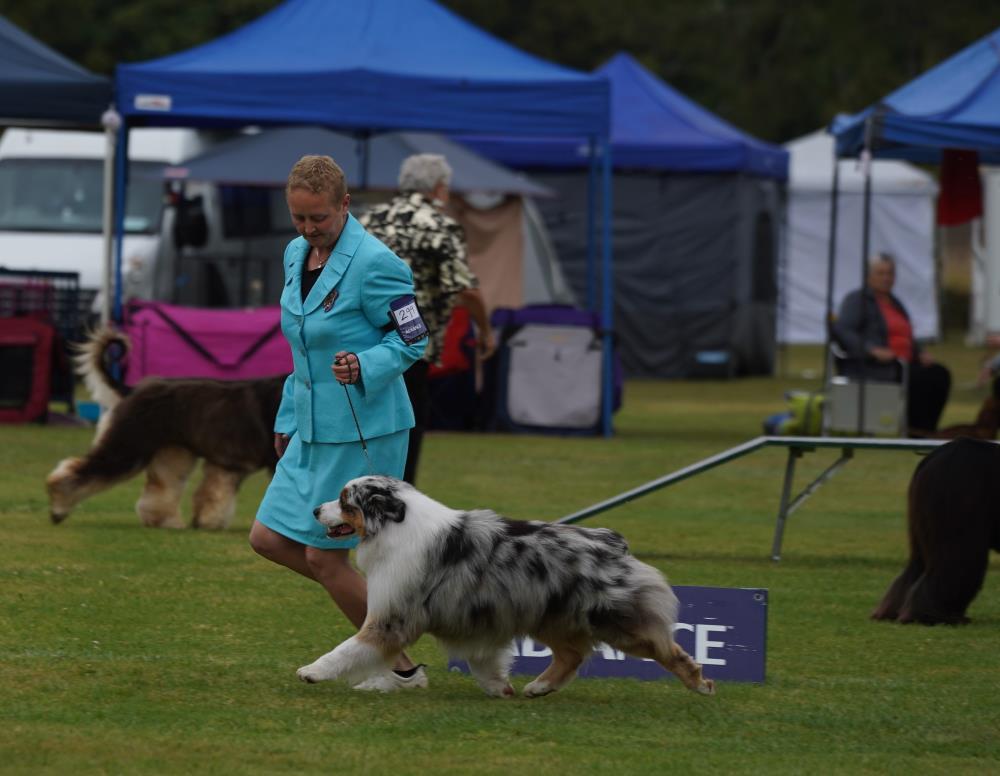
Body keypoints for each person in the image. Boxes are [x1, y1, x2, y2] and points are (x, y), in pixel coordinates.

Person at [249, 155, 428, 692]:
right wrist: (287, 416)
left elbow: (413, 338)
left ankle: (400, 668)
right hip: (307, 424)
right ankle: (396, 618)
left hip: (363, 428)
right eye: (298, 218)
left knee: (324, 559)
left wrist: (365, 364)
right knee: (266, 538)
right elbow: (302, 347)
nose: (307, 229)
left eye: (318, 218)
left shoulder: (378, 264)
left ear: (345, 205)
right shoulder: (294, 254)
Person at [359, 153, 495, 485]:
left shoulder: (367, 221)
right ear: (439, 188)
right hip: (410, 351)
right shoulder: (439, 225)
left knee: (362, 437)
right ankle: (396, 507)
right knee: (404, 437)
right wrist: (485, 332)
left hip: (361, 349)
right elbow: (466, 290)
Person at [833, 252, 951, 435]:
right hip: (876, 365)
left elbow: (907, 335)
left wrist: (919, 352)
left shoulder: (895, 302)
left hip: (905, 362)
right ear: (868, 276)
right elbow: (843, 331)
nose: (886, 278)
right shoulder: (857, 300)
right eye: (880, 273)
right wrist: (871, 350)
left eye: (890, 273)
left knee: (940, 373)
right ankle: (915, 430)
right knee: (923, 379)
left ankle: (925, 430)